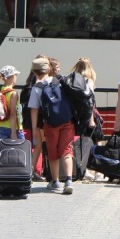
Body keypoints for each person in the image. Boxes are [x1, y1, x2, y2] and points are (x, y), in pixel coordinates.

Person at [28, 56, 75, 195]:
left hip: (50, 124)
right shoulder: (61, 81)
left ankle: (55, 182)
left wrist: (35, 128)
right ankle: (69, 181)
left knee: (53, 153)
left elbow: (34, 110)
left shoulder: (37, 87)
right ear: (48, 69)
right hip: (67, 121)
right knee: (66, 151)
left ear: (34, 72)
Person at [20, 56, 48, 181]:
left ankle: (31, 171)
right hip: (44, 122)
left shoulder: (28, 86)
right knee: (43, 146)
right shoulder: (46, 84)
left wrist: (32, 126)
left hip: (33, 122)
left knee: (36, 146)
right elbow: (34, 108)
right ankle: (44, 173)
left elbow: (29, 108)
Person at [0, 65, 23, 140]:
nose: (16, 77)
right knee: (20, 150)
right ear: (13, 76)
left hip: (2, 126)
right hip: (14, 128)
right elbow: (13, 114)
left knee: (4, 150)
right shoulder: (13, 93)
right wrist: (13, 133)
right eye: (16, 75)